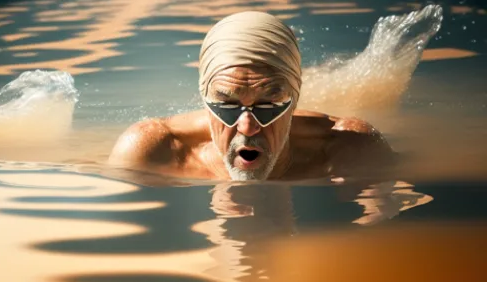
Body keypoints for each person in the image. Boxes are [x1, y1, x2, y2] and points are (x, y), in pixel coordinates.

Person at [109, 11, 395, 181]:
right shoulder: (152, 151)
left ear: (294, 100)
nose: (247, 127)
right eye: (227, 104)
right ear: (204, 99)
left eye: (269, 104)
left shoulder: (349, 150)